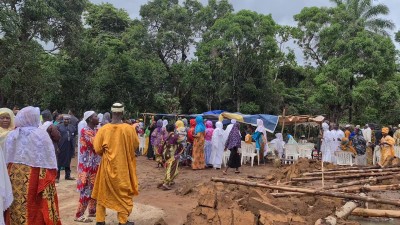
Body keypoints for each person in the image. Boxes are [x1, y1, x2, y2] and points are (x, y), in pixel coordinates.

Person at [5, 106, 61, 225]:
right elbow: (49, 160)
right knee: (34, 206)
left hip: (13, 175)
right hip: (35, 175)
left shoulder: (12, 134)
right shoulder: (41, 135)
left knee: (14, 205)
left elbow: (6, 158)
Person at [92, 103, 139, 225]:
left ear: (111, 113)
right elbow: (135, 145)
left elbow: (97, 148)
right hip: (124, 168)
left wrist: (107, 154)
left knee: (102, 193)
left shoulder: (103, 129)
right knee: (124, 193)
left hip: (107, 168)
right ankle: (122, 221)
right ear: (122, 113)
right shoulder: (129, 129)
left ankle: (100, 220)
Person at [75, 111, 101, 223]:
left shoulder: (94, 130)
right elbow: (96, 145)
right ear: (90, 119)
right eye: (95, 116)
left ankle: (92, 210)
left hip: (94, 165)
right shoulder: (85, 131)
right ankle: (79, 214)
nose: (97, 117)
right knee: (86, 190)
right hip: (87, 166)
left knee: (94, 188)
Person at [158, 124, 184, 190]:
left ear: (167, 129)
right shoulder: (175, 136)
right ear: (174, 129)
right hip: (172, 155)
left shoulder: (165, 136)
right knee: (171, 168)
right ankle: (166, 183)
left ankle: (169, 181)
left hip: (165, 154)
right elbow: (182, 140)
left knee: (168, 168)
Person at [0, 108, 15, 225]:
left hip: (12, 169)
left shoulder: (16, 133)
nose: (5, 120)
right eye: (2, 117)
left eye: (7, 117)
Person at [57, 114, 76, 182]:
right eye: (65, 119)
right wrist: (57, 147)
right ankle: (57, 177)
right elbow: (56, 138)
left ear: (69, 120)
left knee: (68, 161)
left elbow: (73, 138)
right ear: (63, 120)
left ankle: (67, 175)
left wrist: (73, 148)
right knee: (59, 161)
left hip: (69, 147)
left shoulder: (72, 128)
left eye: (67, 119)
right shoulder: (58, 127)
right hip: (61, 146)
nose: (66, 120)